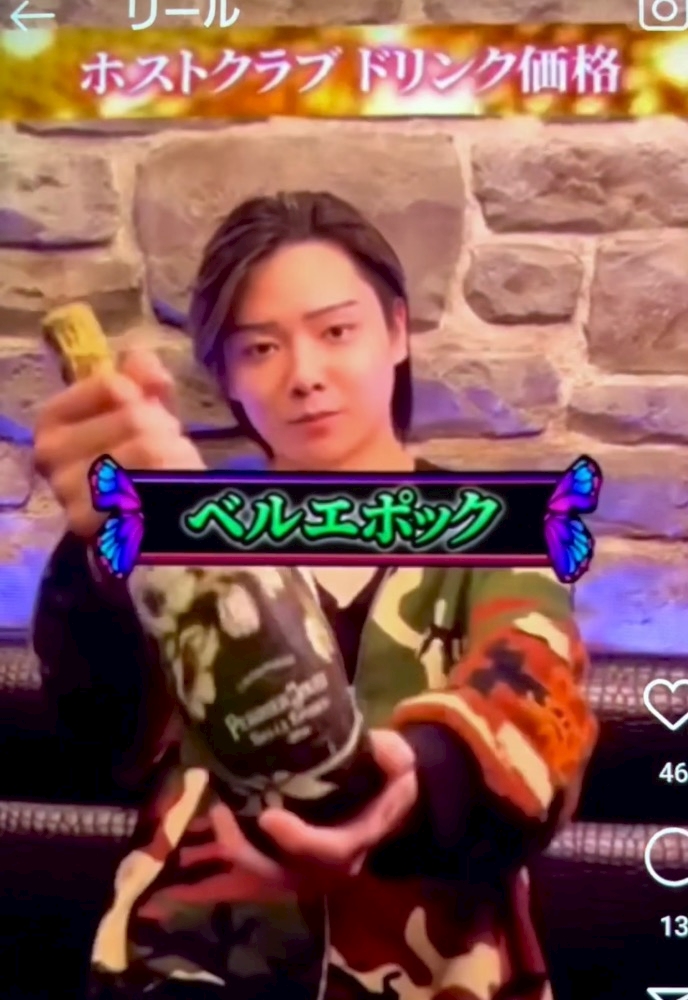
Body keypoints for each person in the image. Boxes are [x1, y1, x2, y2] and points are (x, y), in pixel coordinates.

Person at [32, 191, 598, 1000]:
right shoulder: (187, 529)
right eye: (260, 348)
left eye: (337, 332)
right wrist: (98, 551)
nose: (304, 376)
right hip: (190, 969)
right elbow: (105, 736)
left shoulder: (494, 530)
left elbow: (539, 711)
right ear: (225, 375)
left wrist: (408, 789)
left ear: (395, 331)